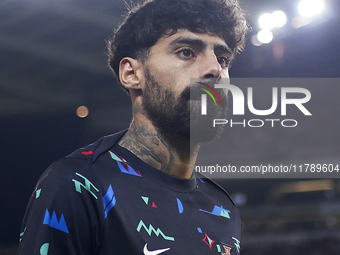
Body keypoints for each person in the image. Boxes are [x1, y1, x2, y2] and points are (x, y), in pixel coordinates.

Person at [17, 0, 248, 254]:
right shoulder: (78, 184)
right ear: (131, 74)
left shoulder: (223, 209)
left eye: (223, 59)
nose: (215, 69)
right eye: (186, 52)